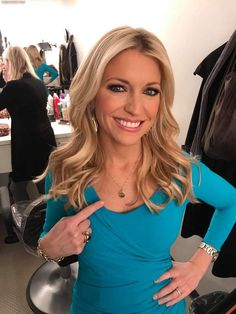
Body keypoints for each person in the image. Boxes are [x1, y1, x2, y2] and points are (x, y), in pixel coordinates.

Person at [38, 26, 236, 314]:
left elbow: (231, 201)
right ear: (93, 91)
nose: (135, 107)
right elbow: (48, 241)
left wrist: (200, 261)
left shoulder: (176, 167)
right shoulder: (66, 167)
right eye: (118, 87)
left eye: (150, 91)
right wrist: (51, 249)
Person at [0, 46, 57, 241]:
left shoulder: (13, 87)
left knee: (18, 186)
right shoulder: (37, 83)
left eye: (4, 62)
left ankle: (27, 228)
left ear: (11, 63)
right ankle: (48, 226)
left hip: (26, 143)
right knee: (45, 187)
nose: (3, 67)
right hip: (45, 140)